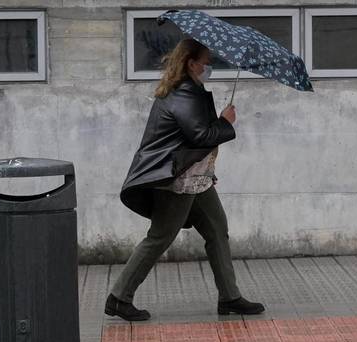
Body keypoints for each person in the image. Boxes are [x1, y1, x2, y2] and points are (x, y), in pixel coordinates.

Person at [105, 38, 265, 321]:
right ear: (191, 63)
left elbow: (195, 137)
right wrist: (226, 122)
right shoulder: (184, 94)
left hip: (195, 176)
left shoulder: (191, 90)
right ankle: (119, 298)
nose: (209, 67)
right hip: (176, 178)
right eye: (206, 62)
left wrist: (208, 169)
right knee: (160, 237)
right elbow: (200, 136)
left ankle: (229, 297)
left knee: (217, 230)